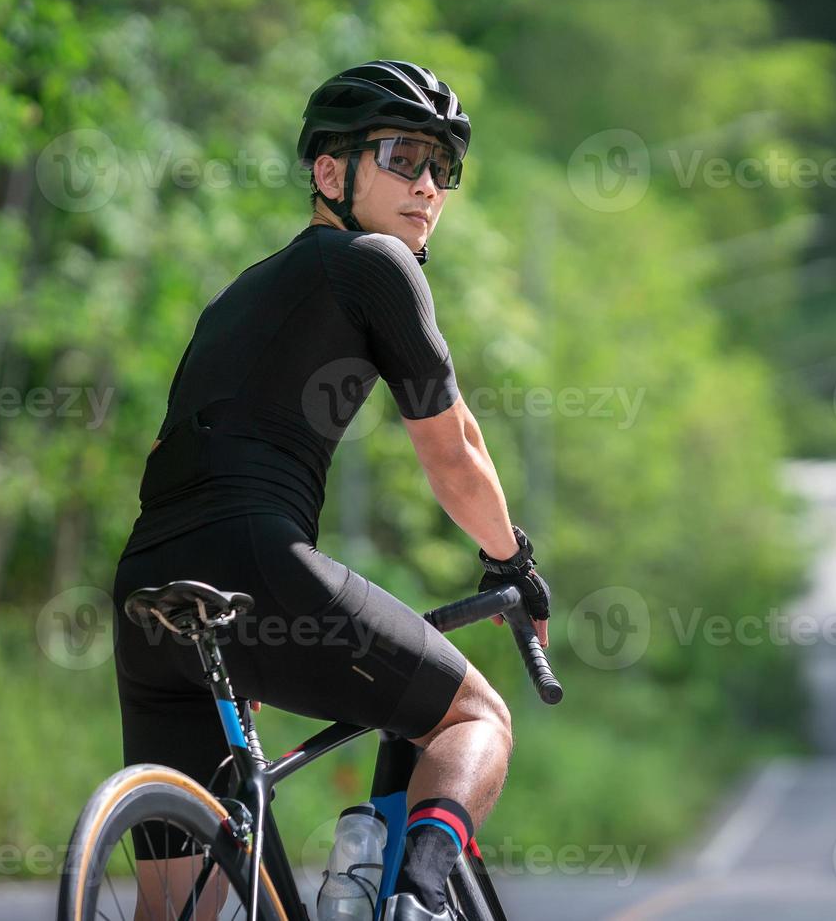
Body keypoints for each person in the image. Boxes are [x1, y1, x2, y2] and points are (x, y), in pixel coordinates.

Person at [110, 60, 551, 921]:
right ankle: (417, 899)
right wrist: (514, 562)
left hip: (148, 594)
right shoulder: (375, 260)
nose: (428, 186)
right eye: (401, 156)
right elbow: (454, 451)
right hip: (257, 562)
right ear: (329, 172)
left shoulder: (233, 297)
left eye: (443, 167)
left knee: (176, 910)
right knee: (472, 718)